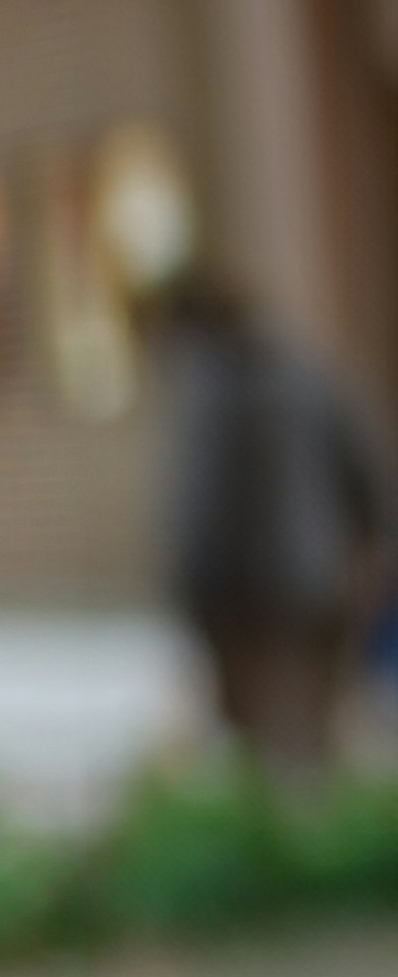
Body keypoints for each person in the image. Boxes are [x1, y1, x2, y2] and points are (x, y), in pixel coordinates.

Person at [157, 275, 391, 779]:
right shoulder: (306, 376)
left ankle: (302, 847)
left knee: (267, 752)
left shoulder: (208, 394)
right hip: (320, 583)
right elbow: (368, 476)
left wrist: (192, 604)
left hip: (247, 600)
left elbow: (200, 511)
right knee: (314, 737)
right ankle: (330, 839)